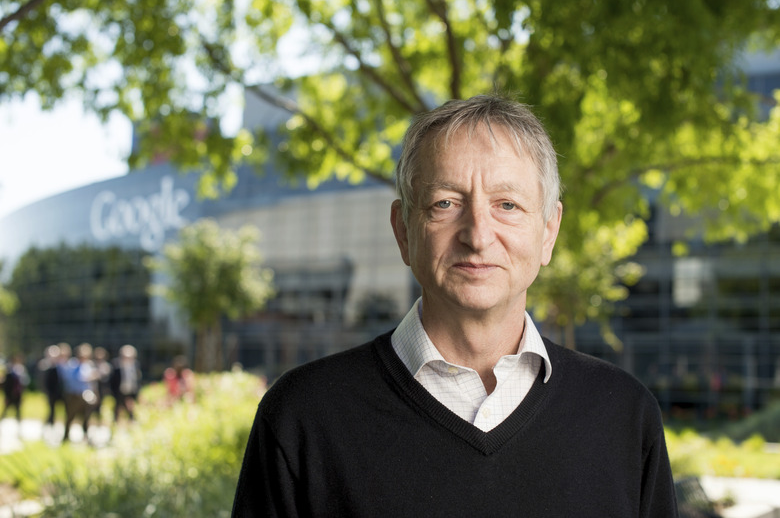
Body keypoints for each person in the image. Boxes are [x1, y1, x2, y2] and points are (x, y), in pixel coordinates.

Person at [232, 94, 678, 516]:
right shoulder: (302, 419)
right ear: (404, 230)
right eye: (445, 203)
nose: (478, 234)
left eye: (507, 204)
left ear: (548, 231)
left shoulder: (624, 416)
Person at [61, 342, 98, 443]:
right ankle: (66, 437)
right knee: (70, 417)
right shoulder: (72, 365)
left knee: (86, 417)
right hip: (74, 395)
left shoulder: (89, 365)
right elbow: (71, 379)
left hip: (85, 395)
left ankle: (86, 437)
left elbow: (92, 382)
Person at [109, 344, 142, 423]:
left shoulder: (136, 365)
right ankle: (116, 423)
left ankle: (131, 422)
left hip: (130, 391)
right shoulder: (116, 365)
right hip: (119, 392)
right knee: (118, 409)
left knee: (130, 409)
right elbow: (112, 381)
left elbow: (138, 379)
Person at [1, 354, 29, 421]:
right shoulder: (9, 372)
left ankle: (19, 422)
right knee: (6, 409)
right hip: (10, 394)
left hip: (17, 394)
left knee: (18, 409)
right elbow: (6, 386)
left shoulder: (21, 371)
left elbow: (23, 383)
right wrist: (7, 396)